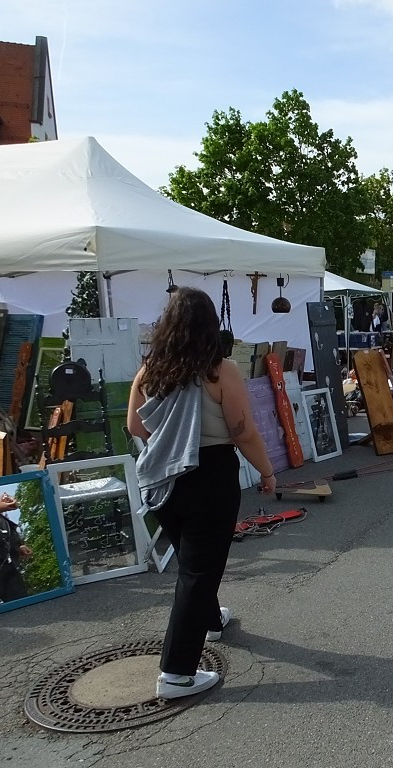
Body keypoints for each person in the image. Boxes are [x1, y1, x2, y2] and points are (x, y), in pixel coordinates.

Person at [128, 287, 276, 700]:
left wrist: (171, 437)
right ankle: (176, 673)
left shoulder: (149, 370)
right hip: (209, 474)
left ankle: (211, 619)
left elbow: (137, 428)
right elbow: (242, 430)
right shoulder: (219, 369)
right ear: (211, 326)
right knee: (198, 571)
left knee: (195, 564)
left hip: (163, 479)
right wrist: (267, 471)